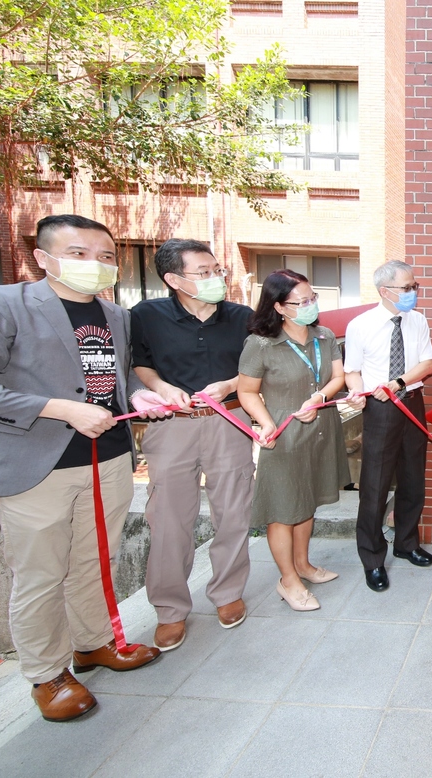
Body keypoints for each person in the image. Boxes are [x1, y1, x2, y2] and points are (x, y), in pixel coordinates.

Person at [0, 214, 171, 722]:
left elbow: (114, 373)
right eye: (78, 253)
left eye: (105, 256)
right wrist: (58, 407)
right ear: (43, 257)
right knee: (40, 573)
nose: (94, 265)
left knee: (94, 561)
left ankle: (94, 643)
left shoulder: (116, 315)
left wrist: (140, 393)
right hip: (31, 463)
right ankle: (47, 674)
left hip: (106, 459)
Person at [130, 239, 254, 651]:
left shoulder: (242, 317)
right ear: (173, 279)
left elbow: (259, 368)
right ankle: (169, 610)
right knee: (167, 519)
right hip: (171, 425)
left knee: (234, 511)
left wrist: (232, 384)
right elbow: (140, 364)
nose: (217, 277)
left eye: (217, 270)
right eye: (204, 272)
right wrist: (162, 387)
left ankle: (227, 592)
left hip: (229, 420)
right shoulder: (146, 316)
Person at [237, 270, 349, 611]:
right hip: (284, 433)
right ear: (279, 307)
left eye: (313, 298)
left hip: (320, 428)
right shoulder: (260, 343)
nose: (311, 306)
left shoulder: (324, 335)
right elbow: (246, 390)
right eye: (302, 302)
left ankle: (303, 565)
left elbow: (339, 377)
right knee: (283, 509)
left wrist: (319, 398)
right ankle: (288, 580)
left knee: (307, 500)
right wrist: (267, 424)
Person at [343, 260, 432, 592]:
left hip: (411, 402)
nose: (413, 292)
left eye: (415, 286)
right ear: (385, 291)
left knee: (413, 478)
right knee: (375, 484)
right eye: (407, 288)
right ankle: (373, 559)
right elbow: (351, 370)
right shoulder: (360, 325)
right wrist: (357, 390)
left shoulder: (418, 321)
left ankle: (407, 543)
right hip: (379, 409)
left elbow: (428, 364)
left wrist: (398, 382)